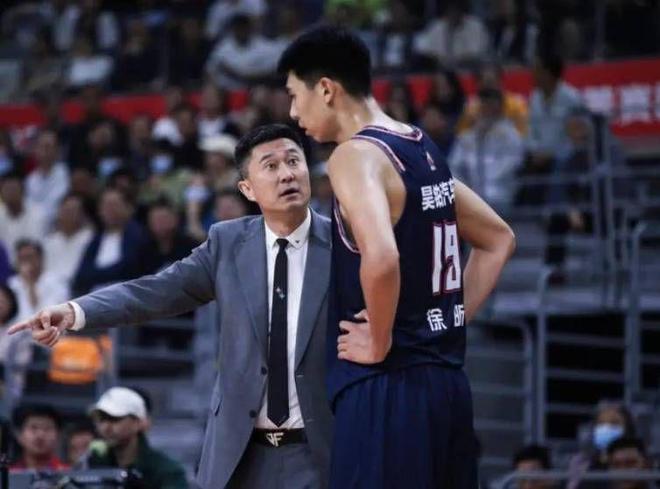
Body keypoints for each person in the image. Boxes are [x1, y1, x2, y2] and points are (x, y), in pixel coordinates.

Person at [9, 124, 333, 489]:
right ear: (247, 189)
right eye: (271, 166)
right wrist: (76, 311)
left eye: (294, 161)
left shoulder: (347, 243)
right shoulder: (227, 243)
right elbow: (155, 291)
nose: (287, 173)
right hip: (241, 454)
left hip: (317, 452)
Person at [279, 25, 515, 489]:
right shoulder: (420, 147)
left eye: (294, 95)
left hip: (388, 390)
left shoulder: (354, 156)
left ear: (325, 89)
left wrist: (381, 340)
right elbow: (498, 239)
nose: (292, 112)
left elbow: (382, 257)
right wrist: (441, 324)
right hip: (448, 387)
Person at [81, 386, 188, 489]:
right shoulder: (94, 465)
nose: (106, 427)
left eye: (114, 419)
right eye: (101, 420)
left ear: (138, 423)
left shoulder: (165, 471)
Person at [449, 87, 524, 214]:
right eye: (484, 105)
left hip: (499, 192)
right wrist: (464, 188)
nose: (487, 110)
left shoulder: (511, 136)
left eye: (491, 106)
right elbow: (454, 167)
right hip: (471, 193)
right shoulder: (468, 137)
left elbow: (512, 165)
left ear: (499, 108)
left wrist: (480, 181)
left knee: (488, 199)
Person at [10, 403, 68, 472]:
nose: (40, 435)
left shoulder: (69, 474)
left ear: (58, 436)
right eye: (33, 428)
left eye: (47, 428)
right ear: (19, 436)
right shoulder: (8, 474)